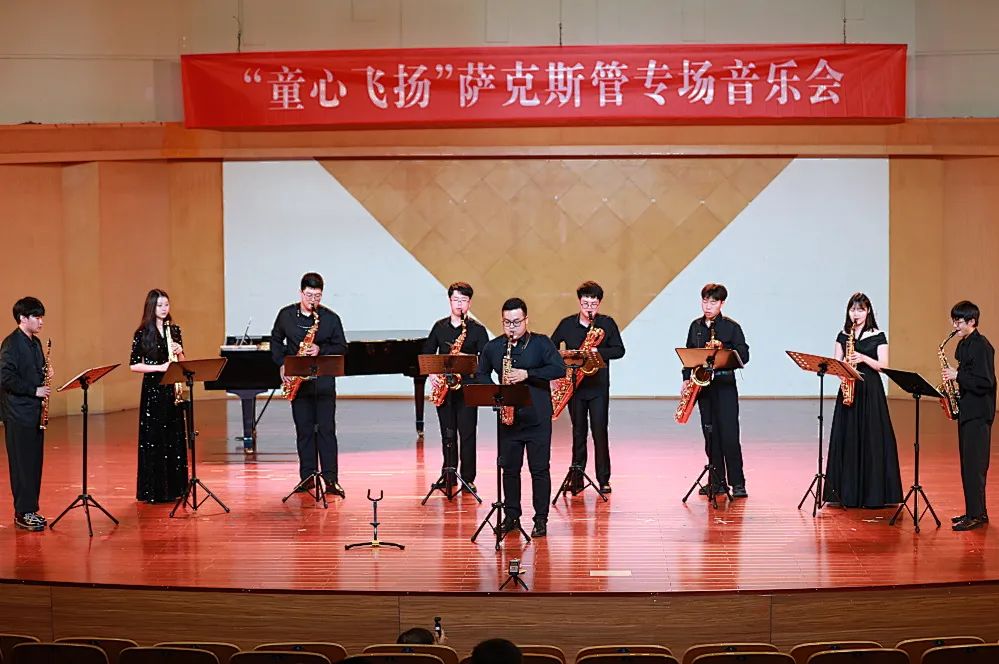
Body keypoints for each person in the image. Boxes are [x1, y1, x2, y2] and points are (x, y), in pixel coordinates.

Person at [476, 298, 564, 537]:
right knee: (510, 470)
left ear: (526, 320)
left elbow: (559, 369)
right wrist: (495, 391)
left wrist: (527, 374)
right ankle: (511, 516)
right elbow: (481, 373)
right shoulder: (494, 347)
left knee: (539, 470)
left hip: (537, 418)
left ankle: (541, 519)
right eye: (507, 322)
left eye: (516, 322)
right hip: (509, 421)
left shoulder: (541, 343)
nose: (512, 327)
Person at [271, 272, 348, 497]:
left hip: (323, 383)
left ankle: (331, 480)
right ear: (300, 293)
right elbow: (275, 340)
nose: (313, 300)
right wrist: (282, 364)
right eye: (309, 295)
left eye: (317, 296)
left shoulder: (330, 318)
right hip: (298, 382)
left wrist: (320, 349)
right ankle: (307, 478)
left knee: (326, 431)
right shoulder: (286, 315)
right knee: (304, 431)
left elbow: (342, 347)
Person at [823, 293, 903, 508]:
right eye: (852, 309)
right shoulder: (843, 335)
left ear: (868, 312)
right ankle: (845, 493)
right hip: (849, 389)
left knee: (872, 437)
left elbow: (883, 366)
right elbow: (836, 364)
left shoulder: (878, 335)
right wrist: (843, 375)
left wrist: (863, 358)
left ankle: (873, 494)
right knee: (848, 436)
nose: (855, 314)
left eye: (860, 309)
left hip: (870, 391)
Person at [551, 280, 625, 494]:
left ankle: (603, 479)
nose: (589, 308)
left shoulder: (607, 323)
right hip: (575, 387)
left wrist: (597, 352)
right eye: (585, 304)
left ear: (599, 303)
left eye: (593, 304)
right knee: (578, 432)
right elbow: (551, 348)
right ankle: (577, 478)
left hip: (598, 387)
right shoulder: (567, 324)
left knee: (600, 431)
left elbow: (619, 350)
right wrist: (563, 364)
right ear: (579, 302)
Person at [683, 283, 750, 498]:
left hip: (725, 386)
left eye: (713, 302)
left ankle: (737, 483)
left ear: (722, 303)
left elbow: (744, 355)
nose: (708, 306)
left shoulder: (732, 327)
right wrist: (686, 379)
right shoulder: (695, 326)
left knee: (729, 434)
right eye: (705, 301)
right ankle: (717, 481)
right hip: (703, 387)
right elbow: (689, 355)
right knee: (709, 434)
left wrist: (724, 349)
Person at [423, 282, 488, 494]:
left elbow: (486, 361)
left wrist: (465, 359)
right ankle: (449, 475)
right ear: (450, 300)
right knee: (448, 434)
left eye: (464, 300)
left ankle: (468, 478)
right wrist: (433, 374)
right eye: (456, 300)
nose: (459, 304)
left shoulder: (477, 330)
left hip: (468, 388)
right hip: (446, 388)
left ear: (470, 303)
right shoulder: (439, 327)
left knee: (467, 434)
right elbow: (427, 354)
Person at [129, 289, 189, 503]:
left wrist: (180, 351)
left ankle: (176, 488)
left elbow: (183, 362)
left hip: (172, 388)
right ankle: (155, 491)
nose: (164, 309)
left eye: (166, 305)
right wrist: (159, 367)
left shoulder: (174, 330)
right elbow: (134, 365)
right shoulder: (142, 333)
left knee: (174, 437)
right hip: (153, 391)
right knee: (155, 439)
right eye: (160, 305)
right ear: (151, 307)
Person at [942, 300, 996, 531]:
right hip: (967, 410)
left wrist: (957, 376)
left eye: (959, 321)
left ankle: (976, 515)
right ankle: (976, 511)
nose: (955, 325)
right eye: (954, 320)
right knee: (968, 465)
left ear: (972, 321)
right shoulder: (964, 344)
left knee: (975, 466)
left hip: (979, 413)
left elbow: (986, 382)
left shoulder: (982, 346)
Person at [1, 297, 50, 531]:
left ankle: (31, 509)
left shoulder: (36, 343)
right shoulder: (11, 344)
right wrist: (34, 390)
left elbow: (34, 372)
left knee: (33, 464)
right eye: (36, 317)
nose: (41, 321)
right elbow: (5, 378)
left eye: (41, 317)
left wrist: (46, 372)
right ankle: (22, 512)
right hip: (18, 414)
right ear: (23, 318)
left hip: (34, 413)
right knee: (22, 465)